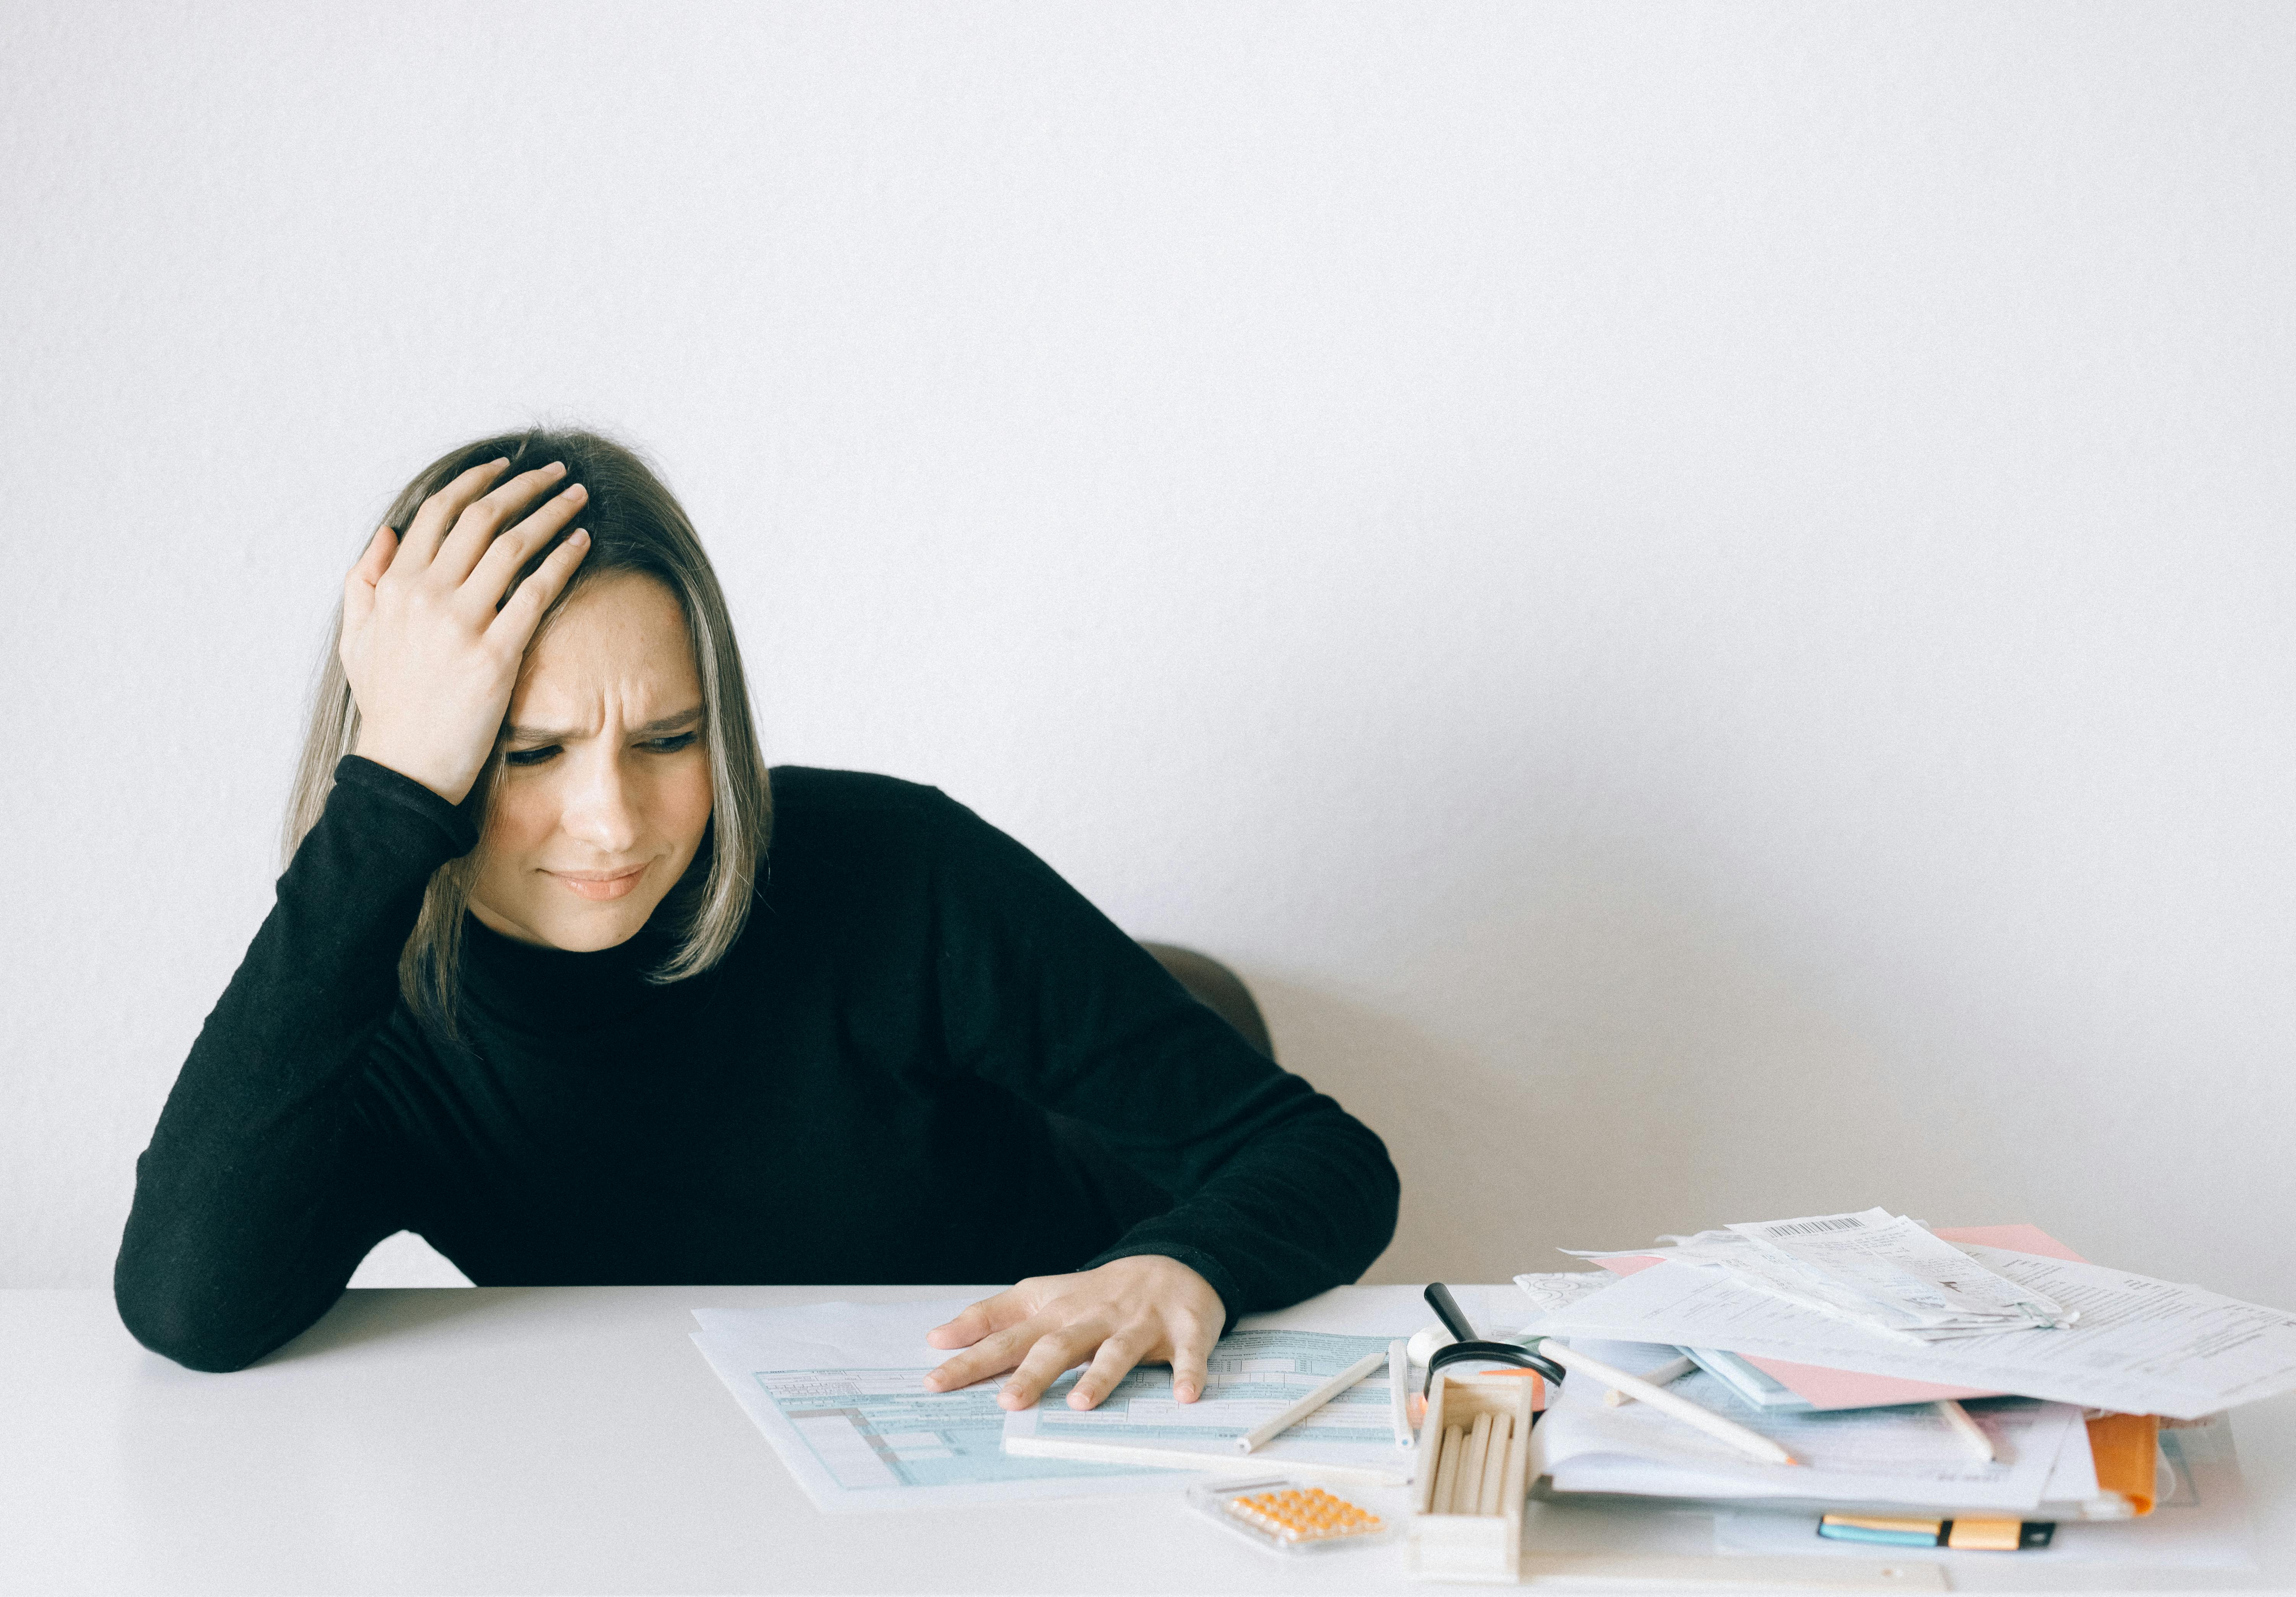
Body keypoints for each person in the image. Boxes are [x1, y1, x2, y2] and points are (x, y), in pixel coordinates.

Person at [115, 428, 1400, 1413]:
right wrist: (384, 805)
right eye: (528, 754)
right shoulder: (379, 1012)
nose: (613, 824)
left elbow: (1326, 1161)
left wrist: (1186, 1263)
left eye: (668, 740)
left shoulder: (896, 869)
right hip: (686, 1488)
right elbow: (188, 1307)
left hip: (1022, 1443)